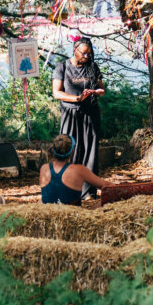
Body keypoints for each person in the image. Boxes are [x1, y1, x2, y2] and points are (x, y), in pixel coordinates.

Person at [52, 37, 104, 199]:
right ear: (74, 49)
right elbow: (56, 92)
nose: (87, 57)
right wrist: (76, 99)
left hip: (90, 113)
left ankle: (88, 191)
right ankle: (69, 189)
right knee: (70, 150)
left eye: (90, 54)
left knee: (90, 151)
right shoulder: (62, 67)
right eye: (84, 53)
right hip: (70, 113)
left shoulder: (92, 67)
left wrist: (97, 91)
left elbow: (101, 86)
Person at [40, 134, 109, 206]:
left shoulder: (44, 168)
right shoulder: (79, 170)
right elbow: (106, 185)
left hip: (47, 214)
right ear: (72, 151)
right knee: (99, 205)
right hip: (72, 215)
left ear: (53, 150)